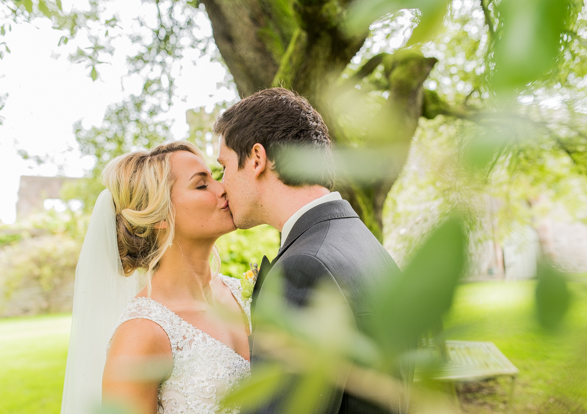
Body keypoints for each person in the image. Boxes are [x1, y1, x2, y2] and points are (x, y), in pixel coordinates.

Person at [215, 88, 408, 413]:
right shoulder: (363, 242)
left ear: (256, 159)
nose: (222, 184)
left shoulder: (304, 268)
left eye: (224, 167)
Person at [61, 141, 252, 414]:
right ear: (160, 215)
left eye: (214, 177)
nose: (222, 188)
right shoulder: (142, 334)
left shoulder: (245, 293)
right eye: (201, 185)